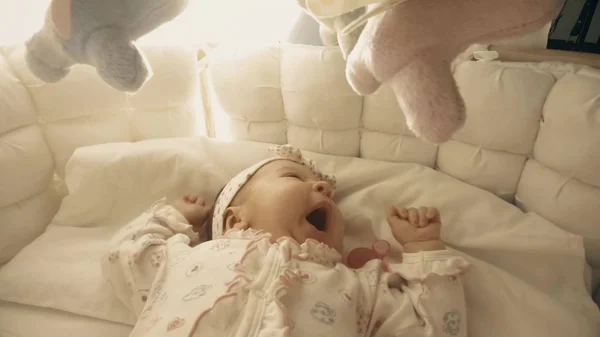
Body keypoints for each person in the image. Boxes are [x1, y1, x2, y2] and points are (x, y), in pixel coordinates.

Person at [102, 144, 471, 337]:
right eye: (293, 177)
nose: (323, 187)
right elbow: (126, 255)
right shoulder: (189, 259)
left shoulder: (359, 287)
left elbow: (432, 330)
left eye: (323, 188)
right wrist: (176, 219)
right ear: (234, 218)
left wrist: (424, 250)